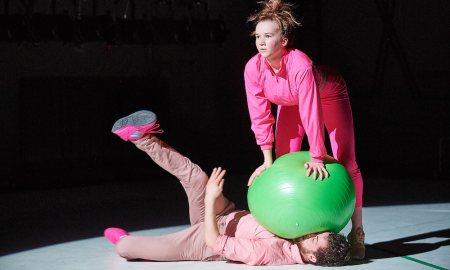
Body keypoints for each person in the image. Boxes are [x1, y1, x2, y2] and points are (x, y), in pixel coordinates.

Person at [104, 110, 350, 266]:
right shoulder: (302, 229)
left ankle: (123, 239)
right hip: (227, 213)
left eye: (315, 239)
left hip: (205, 239)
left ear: (314, 258)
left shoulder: (272, 253)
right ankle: (141, 137)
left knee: (129, 249)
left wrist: (211, 200)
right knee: (196, 176)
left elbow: (215, 242)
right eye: (319, 231)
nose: (311, 233)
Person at [243, 0, 365, 259]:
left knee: (347, 161)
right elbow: (260, 115)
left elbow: (311, 112)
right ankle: (292, 235)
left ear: (284, 40)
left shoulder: (301, 65)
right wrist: (267, 160)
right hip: (291, 102)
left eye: (268, 36)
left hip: (329, 94)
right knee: (284, 163)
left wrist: (317, 156)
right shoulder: (253, 68)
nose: (261, 42)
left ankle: (358, 231)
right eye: (258, 36)